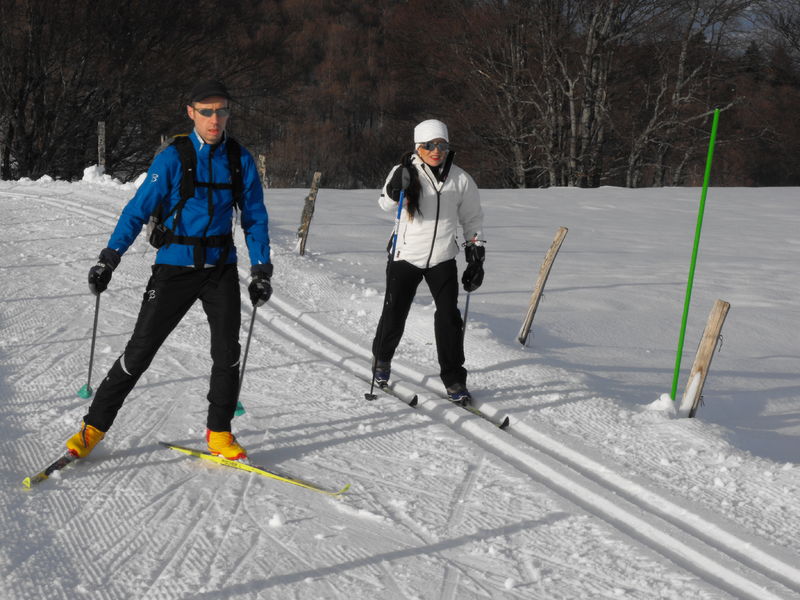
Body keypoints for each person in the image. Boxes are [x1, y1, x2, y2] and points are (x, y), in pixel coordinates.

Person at [66, 80, 272, 461]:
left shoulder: (239, 158)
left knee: (227, 353)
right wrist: (108, 258)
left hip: (220, 268)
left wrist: (261, 268)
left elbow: (255, 216)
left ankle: (219, 432)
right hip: (174, 267)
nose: (215, 119)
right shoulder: (173, 157)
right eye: (206, 111)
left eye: (221, 110)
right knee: (140, 351)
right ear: (191, 112)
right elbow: (138, 209)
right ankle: (93, 427)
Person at [371, 119, 485, 405]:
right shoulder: (404, 172)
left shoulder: (460, 179)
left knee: (449, 318)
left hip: (443, 258)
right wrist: (395, 188)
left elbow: (472, 218)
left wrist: (476, 253)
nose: (436, 151)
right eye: (429, 145)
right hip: (406, 255)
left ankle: (454, 379)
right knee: (395, 312)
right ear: (417, 147)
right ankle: (382, 360)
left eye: (442, 145)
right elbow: (385, 204)